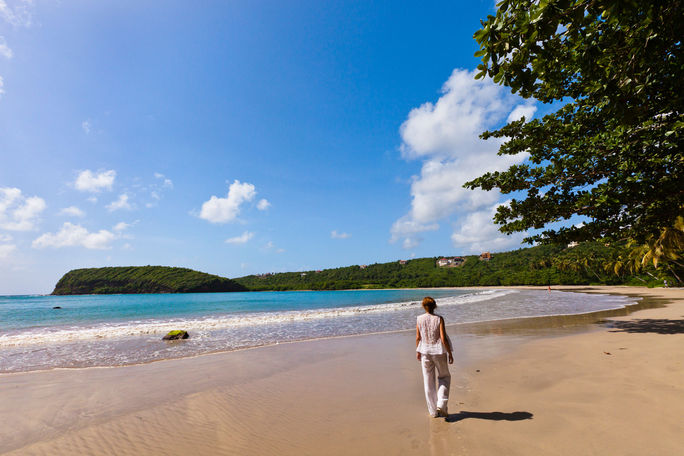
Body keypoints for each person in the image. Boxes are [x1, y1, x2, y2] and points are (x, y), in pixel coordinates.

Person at [416, 296, 453, 418]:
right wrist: (450, 353)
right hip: (438, 352)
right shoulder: (439, 319)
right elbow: (443, 338)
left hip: (425, 352)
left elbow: (418, 338)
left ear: (423, 306)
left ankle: (433, 412)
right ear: (435, 306)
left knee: (428, 381)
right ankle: (441, 404)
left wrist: (418, 351)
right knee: (444, 377)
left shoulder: (419, 319)